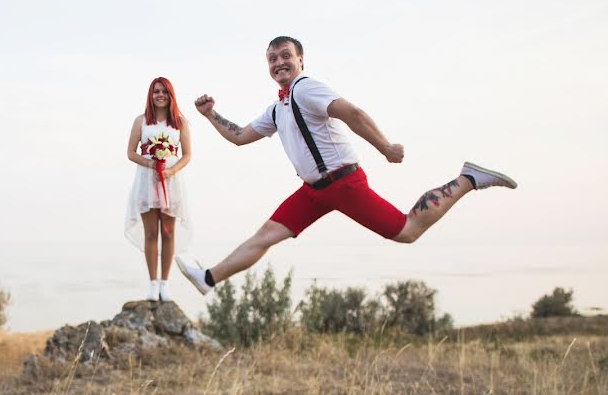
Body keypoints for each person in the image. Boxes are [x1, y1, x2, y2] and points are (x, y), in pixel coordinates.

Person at [176, 35, 516, 294]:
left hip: (343, 184)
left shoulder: (307, 89)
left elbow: (352, 113)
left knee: (407, 231)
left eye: (285, 56)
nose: (278, 63)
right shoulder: (278, 108)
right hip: (314, 192)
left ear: (300, 60)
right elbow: (239, 136)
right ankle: (208, 279)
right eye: (272, 59)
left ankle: (469, 178)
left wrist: (385, 147)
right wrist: (209, 115)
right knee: (265, 235)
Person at [125, 76, 193, 301]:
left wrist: (171, 171)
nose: (160, 95)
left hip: (171, 181)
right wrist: (151, 163)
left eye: (164, 91)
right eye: (156, 91)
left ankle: (165, 283)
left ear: (171, 95)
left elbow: (187, 155)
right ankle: (152, 283)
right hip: (146, 180)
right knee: (151, 232)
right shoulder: (141, 121)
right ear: (150, 95)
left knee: (168, 232)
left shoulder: (180, 122)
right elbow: (131, 152)